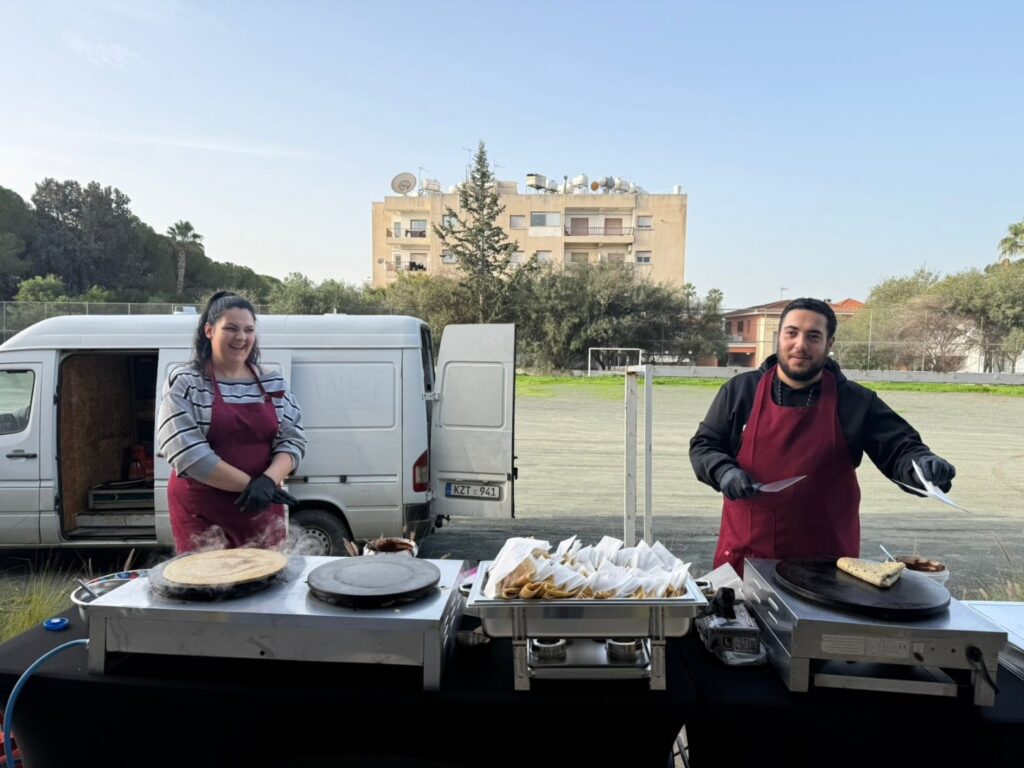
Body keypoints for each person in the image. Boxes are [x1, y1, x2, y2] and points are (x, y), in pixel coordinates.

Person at [689, 298, 956, 575]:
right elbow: (705, 445)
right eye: (791, 333)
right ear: (779, 337)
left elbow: (900, 449)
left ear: (829, 344)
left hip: (827, 570)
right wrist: (723, 471)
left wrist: (923, 466)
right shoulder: (741, 391)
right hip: (746, 562)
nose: (800, 345)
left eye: (813, 336)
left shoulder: (855, 401)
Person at [157, 292, 306, 553]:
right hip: (202, 511)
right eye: (231, 328)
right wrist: (252, 485)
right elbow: (187, 453)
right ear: (209, 330)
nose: (241, 337)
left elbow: (292, 439)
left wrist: (269, 482)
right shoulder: (185, 382)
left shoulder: (273, 382)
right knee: (209, 585)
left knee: (264, 582)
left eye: (249, 330)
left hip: (260, 506)